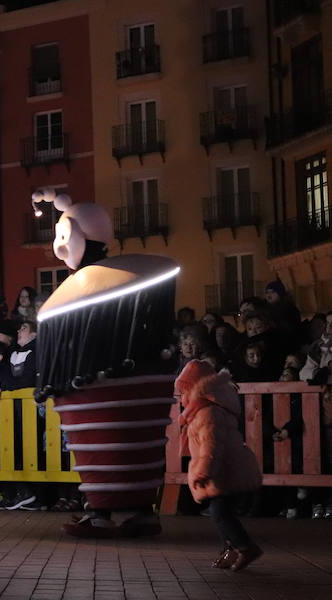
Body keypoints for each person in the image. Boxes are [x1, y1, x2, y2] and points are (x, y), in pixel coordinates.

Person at [32, 189, 178, 538]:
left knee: (108, 440)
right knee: (122, 443)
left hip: (103, 384)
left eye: (63, 236)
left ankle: (104, 511)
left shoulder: (82, 289)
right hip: (139, 378)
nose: (59, 247)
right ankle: (136, 510)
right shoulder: (136, 276)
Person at [175, 360, 263, 571]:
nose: (182, 395)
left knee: (220, 513)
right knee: (220, 511)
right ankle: (230, 549)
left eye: (185, 389)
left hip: (224, 471)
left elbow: (212, 447)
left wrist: (204, 471)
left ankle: (244, 546)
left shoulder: (208, 413)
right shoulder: (204, 410)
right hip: (224, 470)